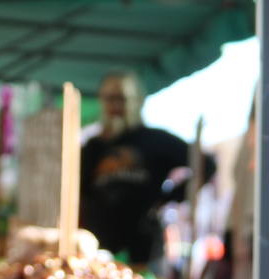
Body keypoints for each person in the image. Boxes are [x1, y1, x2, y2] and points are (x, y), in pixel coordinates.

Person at [80, 71, 209, 267]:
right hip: (99, 249)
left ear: (137, 101)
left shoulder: (155, 140)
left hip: (143, 249)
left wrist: (170, 196)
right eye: (109, 99)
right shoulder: (92, 147)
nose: (115, 106)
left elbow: (206, 164)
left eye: (121, 99)